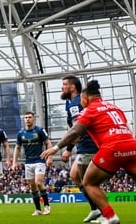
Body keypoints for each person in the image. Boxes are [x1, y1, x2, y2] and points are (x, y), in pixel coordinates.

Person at [41, 80, 136, 224]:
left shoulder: (89, 110)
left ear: (86, 98)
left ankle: (110, 216)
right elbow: (127, 129)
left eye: (83, 99)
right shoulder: (115, 108)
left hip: (112, 147)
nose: (82, 102)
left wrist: (56, 148)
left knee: (88, 183)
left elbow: (75, 131)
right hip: (132, 146)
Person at [60, 75, 101, 222]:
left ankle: (103, 212)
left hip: (89, 146)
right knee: (75, 176)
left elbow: (79, 129)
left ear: (72, 87)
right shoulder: (71, 104)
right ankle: (95, 209)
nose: (62, 87)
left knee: (88, 181)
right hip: (84, 146)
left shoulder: (76, 104)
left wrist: (69, 148)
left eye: (64, 84)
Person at [12, 111, 53, 216]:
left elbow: (48, 143)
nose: (28, 119)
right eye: (26, 117)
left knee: (39, 183)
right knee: (33, 187)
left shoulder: (39, 130)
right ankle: (38, 209)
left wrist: (50, 157)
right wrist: (14, 162)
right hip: (28, 162)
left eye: (30, 117)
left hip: (39, 160)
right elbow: (17, 147)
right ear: (24, 119)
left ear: (33, 119)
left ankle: (47, 206)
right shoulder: (21, 133)